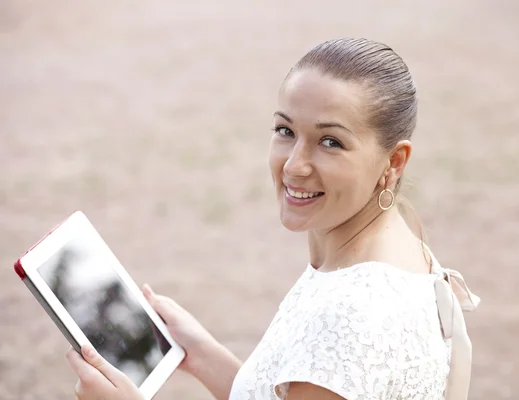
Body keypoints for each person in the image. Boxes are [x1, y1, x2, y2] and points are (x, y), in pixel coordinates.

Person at [65, 37, 480, 400]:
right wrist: (203, 354)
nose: (294, 165)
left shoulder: (351, 313)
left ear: (393, 161)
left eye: (330, 142)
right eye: (285, 131)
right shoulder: (391, 249)